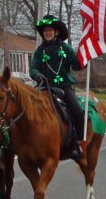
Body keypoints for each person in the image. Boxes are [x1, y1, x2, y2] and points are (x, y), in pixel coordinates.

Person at [30, 14, 85, 161]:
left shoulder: (65, 48)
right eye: (45, 30)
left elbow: (76, 64)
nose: (47, 32)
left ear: (56, 32)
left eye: (50, 30)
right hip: (45, 88)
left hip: (64, 87)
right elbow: (33, 68)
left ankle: (76, 143)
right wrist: (37, 75)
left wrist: (83, 60)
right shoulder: (39, 51)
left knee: (78, 111)